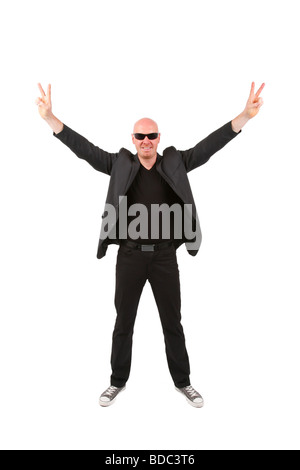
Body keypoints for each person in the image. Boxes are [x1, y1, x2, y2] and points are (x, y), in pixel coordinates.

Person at [36, 81, 264, 408]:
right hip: (129, 257)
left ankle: (183, 383)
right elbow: (83, 148)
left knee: (172, 322)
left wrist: (244, 116)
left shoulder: (175, 162)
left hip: (164, 259)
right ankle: (117, 382)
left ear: (159, 139)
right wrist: (50, 119)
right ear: (132, 139)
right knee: (123, 322)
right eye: (140, 136)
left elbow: (209, 146)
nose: (146, 141)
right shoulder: (119, 164)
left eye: (151, 136)